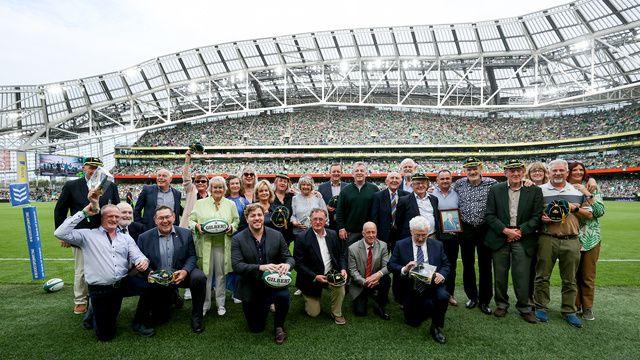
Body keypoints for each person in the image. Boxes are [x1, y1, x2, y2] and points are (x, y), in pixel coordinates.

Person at [54, 189, 149, 341]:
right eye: (110, 216)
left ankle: (138, 322)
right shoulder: (87, 235)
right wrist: (84, 213)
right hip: (99, 290)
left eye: (117, 217)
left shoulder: (125, 238)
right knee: (105, 336)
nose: (114, 219)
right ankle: (92, 316)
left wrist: (142, 261)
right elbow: (60, 233)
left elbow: (137, 254)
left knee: (149, 286)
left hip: (120, 285)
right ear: (102, 217)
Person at [54, 157, 120, 315]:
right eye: (91, 167)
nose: (94, 171)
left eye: (97, 168)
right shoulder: (72, 185)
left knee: (105, 266)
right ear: (84, 168)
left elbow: (115, 207)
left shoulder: (109, 185)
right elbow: (60, 210)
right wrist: (64, 235)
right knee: (81, 270)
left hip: (105, 234)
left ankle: (98, 296)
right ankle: (80, 300)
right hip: (81, 235)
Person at [534, 159, 593, 328]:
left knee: (570, 279)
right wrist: (540, 218)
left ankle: (569, 310)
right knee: (542, 276)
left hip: (571, 239)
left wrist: (574, 208)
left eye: (561, 170)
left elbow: (589, 215)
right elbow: (531, 213)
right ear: (549, 173)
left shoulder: (577, 190)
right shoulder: (540, 191)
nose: (558, 173)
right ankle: (541, 307)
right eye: (555, 171)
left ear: (567, 173)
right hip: (547, 238)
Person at [484, 160, 543, 323]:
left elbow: (537, 217)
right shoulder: (495, 189)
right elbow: (489, 215)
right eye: (511, 171)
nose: (515, 173)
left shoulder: (534, 190)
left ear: (523, 171)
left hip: (523, 237)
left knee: (522, 275)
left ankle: (524, 307)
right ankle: (501, 305)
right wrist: (505, 230)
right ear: (505, 173)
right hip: (500, 237)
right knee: (500, 275)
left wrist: (520, 231)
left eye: (518, 170)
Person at [135, 206, 207, 333]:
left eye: (167, 217)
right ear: (155, 220)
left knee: (199, 277)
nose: (165, 221)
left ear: (173, 217)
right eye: (161, 218)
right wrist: (151, 274)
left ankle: (197, 316)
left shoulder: (185, 233)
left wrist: (185, 271)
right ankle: (172, 296)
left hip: (180, 274)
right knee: (161, 318)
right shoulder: (144, 238)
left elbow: (192, 256)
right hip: (158, 279)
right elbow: (141, 259)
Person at [231, 204, 295, 345]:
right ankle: (265, 306)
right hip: (251, 284)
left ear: (264, 216)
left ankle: (279, 325)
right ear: (246, 218)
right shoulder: (237, 239)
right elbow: (237, 266)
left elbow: (289, 257)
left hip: (273, 283)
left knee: (283, 296)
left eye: (259, 215)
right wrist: (260, 267)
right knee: (256, 328)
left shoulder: (276, 235)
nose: (257, 218)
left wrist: (287, 265)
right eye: (253, 215)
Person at [387, 216, 450, 344]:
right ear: (411, 232)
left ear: (428, 232)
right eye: (417, 235)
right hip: (412, 287)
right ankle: (425, 307)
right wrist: (405, 268)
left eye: (424, 235)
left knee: (443, 296)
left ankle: (436, 327)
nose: (421, 239)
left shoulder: (437, 245)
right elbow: (391, 265)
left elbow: (446, 265)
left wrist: (441, 275)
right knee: (413, 322)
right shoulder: (400, 244)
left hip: (433, 285)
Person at [189, 176, 240, 316]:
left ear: (225, 189)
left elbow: (236, 221)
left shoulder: (230, 204)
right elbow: (191, 220)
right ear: (210, 188)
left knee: (221, 275)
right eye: (215, 187)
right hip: (205, 245)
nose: (218, 189)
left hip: (222, 245)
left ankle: (221, 304)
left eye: (220, 187)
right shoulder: (200, 204)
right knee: (206, 275)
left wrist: (231, 228)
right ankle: (204, 304)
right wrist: (197, 226)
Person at [453, 157, 497, 315]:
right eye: (469, 169)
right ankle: (472, 296)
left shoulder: (492, 184)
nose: (472, 172)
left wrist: (527, 181)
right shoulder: (459, 184)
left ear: (481, 169)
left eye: (474, 168)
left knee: (485, 265)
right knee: (467, 264)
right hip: (466, 229)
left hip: (485, 228)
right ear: (465, 171)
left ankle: (485, 300)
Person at [294, 208, 348, 325]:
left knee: (340, 285)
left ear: (326, 221)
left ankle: (336, 313)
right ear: (310, 220)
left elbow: (341, 255)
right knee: (313, 313)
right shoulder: (301, 238)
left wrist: (343, 269)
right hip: (311, 277)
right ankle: (307, 295)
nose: (318, 222)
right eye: (315, 219)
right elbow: (298, 264)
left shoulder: (333, 234)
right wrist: (315, 276)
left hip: (330, 273)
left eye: (321, 219)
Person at [567, 161, 605, 321]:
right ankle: (575, 307)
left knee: (588, 276)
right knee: (573, 276)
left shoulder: (591, 187)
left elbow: (599, 212)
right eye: (574, 170)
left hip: (591, 238)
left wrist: (585, 192)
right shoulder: (565, 188)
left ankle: (587, 308)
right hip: (572, 236)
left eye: (580, 170)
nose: (577, 172)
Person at [348, 222, 391, 320]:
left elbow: (386, 267)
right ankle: (364, 296)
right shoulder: (353, 248)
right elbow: (352, 270)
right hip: (360, 283)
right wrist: (365, 282)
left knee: (387, 279)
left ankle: (380, 305)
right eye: (368, 232)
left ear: (376, 232)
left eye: (373, 232)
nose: (371, 235)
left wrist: (376, 277)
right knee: (360, 313)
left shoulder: (383, 246)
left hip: (376, 280)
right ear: (363, 233)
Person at [431, 169, 461, 306]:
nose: (445, 181)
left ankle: (449, 293)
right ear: (437, 181)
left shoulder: (457, 194)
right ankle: (433, 292)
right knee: (434, 265)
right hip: (436, 236)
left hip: (453, 236)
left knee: (451, 266)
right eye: (442, 179)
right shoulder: (431, 194)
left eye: (447, 178)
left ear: (451, 180)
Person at [336, 162, 379, 245]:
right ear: (352, 174)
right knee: (350, 256)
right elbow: (340, 211)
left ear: (366, 173)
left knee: (368, 256)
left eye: (362, 171)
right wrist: (341, 228)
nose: (359, 173)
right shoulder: (345, 190)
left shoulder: (374, 189)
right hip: (350, 232)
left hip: (369, 231)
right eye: (357, 171)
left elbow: (378, 211)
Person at [394, 173, 442, 241]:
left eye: (423, 183)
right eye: (417, 183)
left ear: (427, 185)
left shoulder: (434, 199)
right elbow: (399, 222)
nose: (420, 185)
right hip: (413, 238)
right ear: (412, 185)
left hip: (432, 236)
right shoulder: (404, 200)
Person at [369, 171, 409, 251]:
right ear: (386, 181)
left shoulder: (406, 195)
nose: (394, 180)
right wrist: (375, 233)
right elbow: (374, 217)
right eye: (392, 178)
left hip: (401, 235)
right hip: (382, 234)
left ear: (401, 181)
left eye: (397, 178)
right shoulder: (378, 196)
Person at [318, 163, 347, 230]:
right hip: (327, 224)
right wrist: (325, 207)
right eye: (334, 171)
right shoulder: (322, 187)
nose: (336, 173)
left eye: (338, 171)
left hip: (344, 224)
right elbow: (318, 204)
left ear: (341, 173)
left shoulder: (347, 187)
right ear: (330, 173)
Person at [273, 173, 295, 244]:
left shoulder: (291, 197)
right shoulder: (270, 196)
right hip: (274, 231)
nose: (283, 183)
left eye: (285, 182)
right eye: (280, 181)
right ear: (276, 183)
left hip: (288, 232)